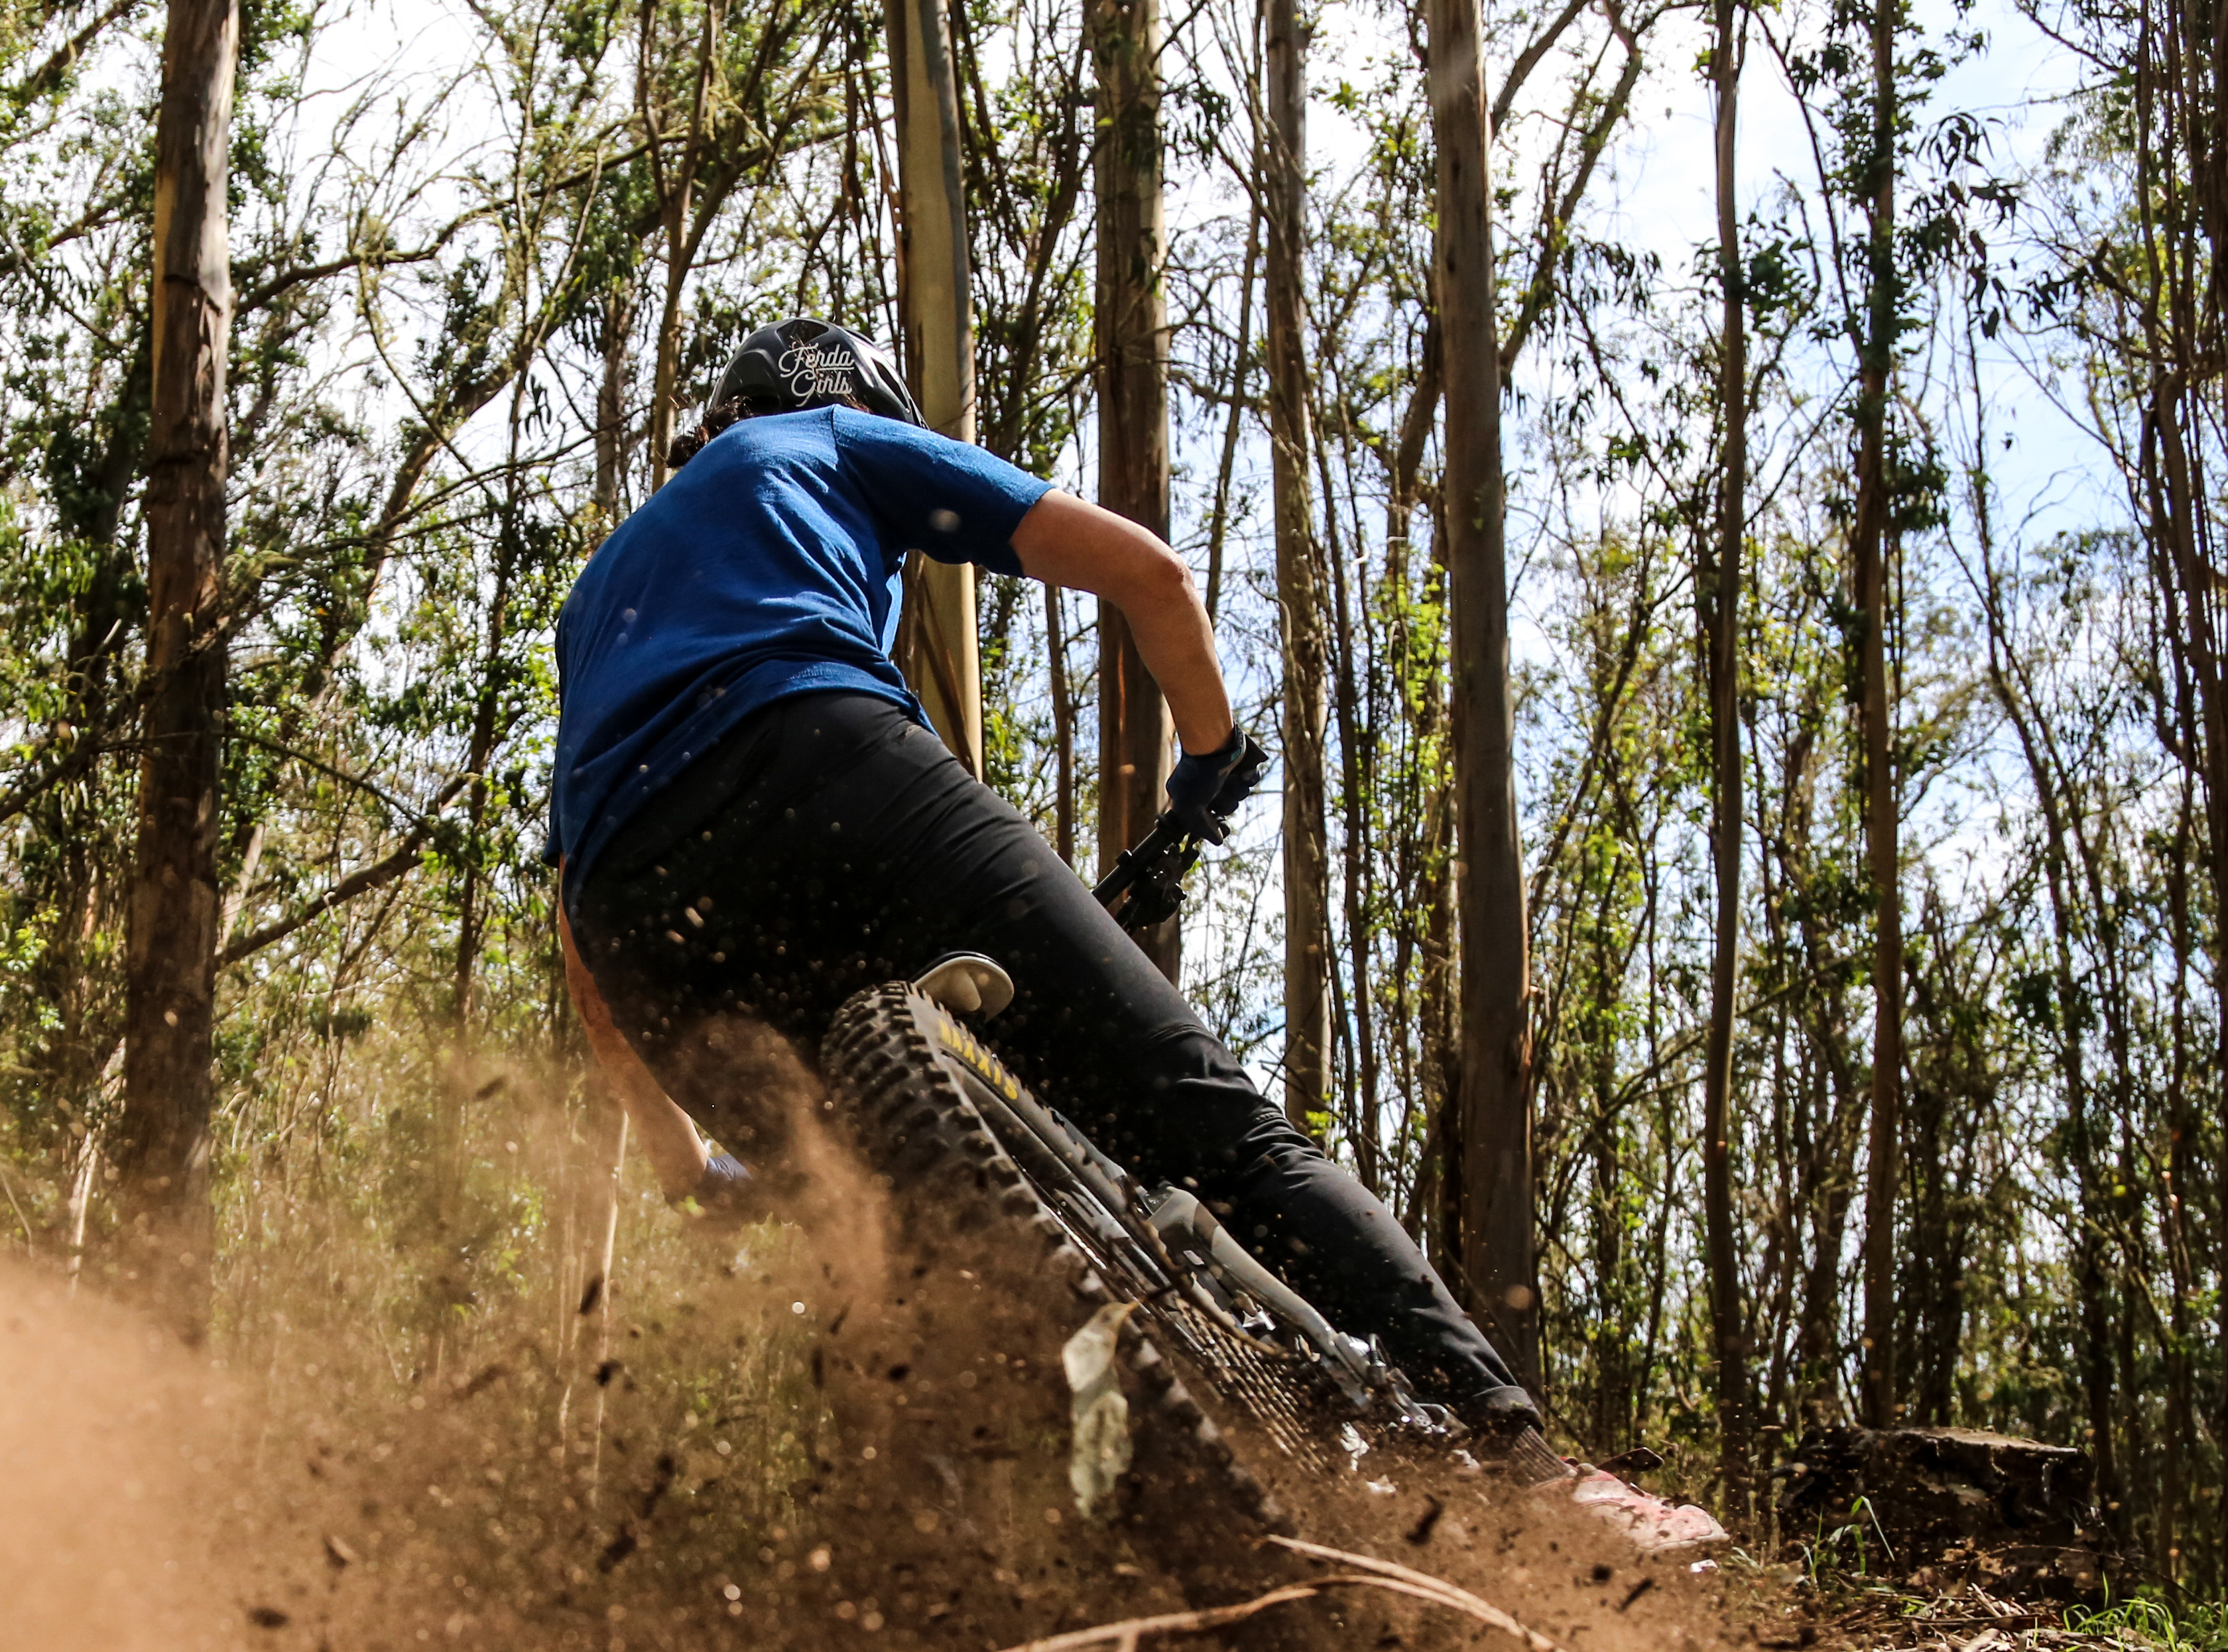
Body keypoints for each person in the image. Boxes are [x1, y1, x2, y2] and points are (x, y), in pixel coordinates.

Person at [550, 318, 1650, 1506]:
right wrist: (1212, 757)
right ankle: (1528, 1470)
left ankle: (959, 1588)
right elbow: (1149, 574)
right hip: (817, 759)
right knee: (1212, 1129)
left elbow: (580, 948)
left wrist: (686, 1172)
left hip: (638, 914)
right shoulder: (828, 436)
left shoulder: (594, 597)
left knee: (888, 1278)